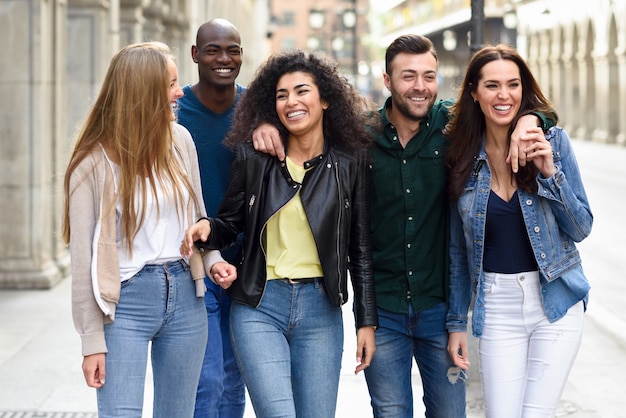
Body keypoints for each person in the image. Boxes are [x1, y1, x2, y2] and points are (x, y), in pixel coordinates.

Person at [252, 35, 553, 418]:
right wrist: (265, 124)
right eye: (408, 76)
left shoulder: (454, 126)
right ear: (387, 80)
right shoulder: (359, 135)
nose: (420, 86)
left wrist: (531, 119)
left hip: (440, 309)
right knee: (390, 412)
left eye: (429, 76)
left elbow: (518, 109)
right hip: (385, 312)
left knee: (449, 413)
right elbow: (302, 117)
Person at [181, 49, 378, 418]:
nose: (291, 102)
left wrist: (366, 321)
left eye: (302, 91)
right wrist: (208, 231)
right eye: (281, 95)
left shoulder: (350, 163)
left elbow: (360, 247)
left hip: (321, 310)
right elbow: (230, 224)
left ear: (325, 101)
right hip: (258, 306)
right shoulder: (255, 157)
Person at [62, 42, 234, 417]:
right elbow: (82, 262)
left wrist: (214, 260)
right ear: (142, 90)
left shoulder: (180, 141)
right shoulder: (92, 165)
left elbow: (198, 219)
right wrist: (91, 341)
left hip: (186, 296)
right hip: (125, 303)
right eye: (171, 83)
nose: (179, 92)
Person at [444, 44, 592, 417]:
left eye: (513, 85)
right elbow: (458, 253)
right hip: (497, 305)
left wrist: (548, 174)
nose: (504, 95)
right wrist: (456, 323)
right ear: (475, 93)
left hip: (555, 300)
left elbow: (581, 227)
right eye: (492, 85)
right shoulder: (460, 155)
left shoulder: (552, 142)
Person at [175, 18, 247, 418]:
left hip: (243, 265)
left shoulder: (257, 109)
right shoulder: (175, 111)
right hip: (191, 266)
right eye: (214, 50)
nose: (224, 58)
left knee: (233, 379)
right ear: (195, 55)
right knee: (207, 381)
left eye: (233, 50)